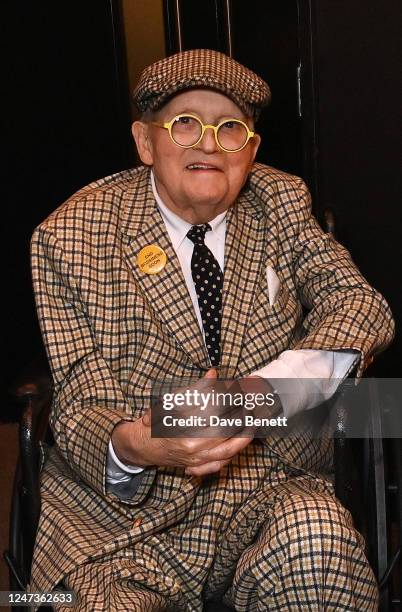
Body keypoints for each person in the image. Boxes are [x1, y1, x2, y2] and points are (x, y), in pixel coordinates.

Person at [30, 49, 394, 611]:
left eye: (229, 129)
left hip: (270, 485)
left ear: (250, 151)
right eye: (185, 124)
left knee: (319, 541)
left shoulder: (280, 200)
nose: (208, 143)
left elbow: (361, 306)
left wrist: (263, 395)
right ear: (145, 142)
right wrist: (136, 444)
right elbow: (80, 403)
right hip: (121, 523)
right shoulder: (69, 235)